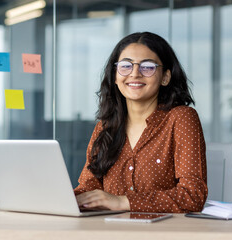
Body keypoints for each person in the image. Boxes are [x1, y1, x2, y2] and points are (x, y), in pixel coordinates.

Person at [74, 32, 207, 213]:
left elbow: (193, 195)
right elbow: (89, 187)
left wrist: (123, 202)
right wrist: (63, 199)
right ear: (115, 76)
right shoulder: (105, 127)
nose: (135, 73)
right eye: (126, 66)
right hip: (110, 231)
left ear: (165, 77)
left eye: (148, 67)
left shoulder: (181, 118)